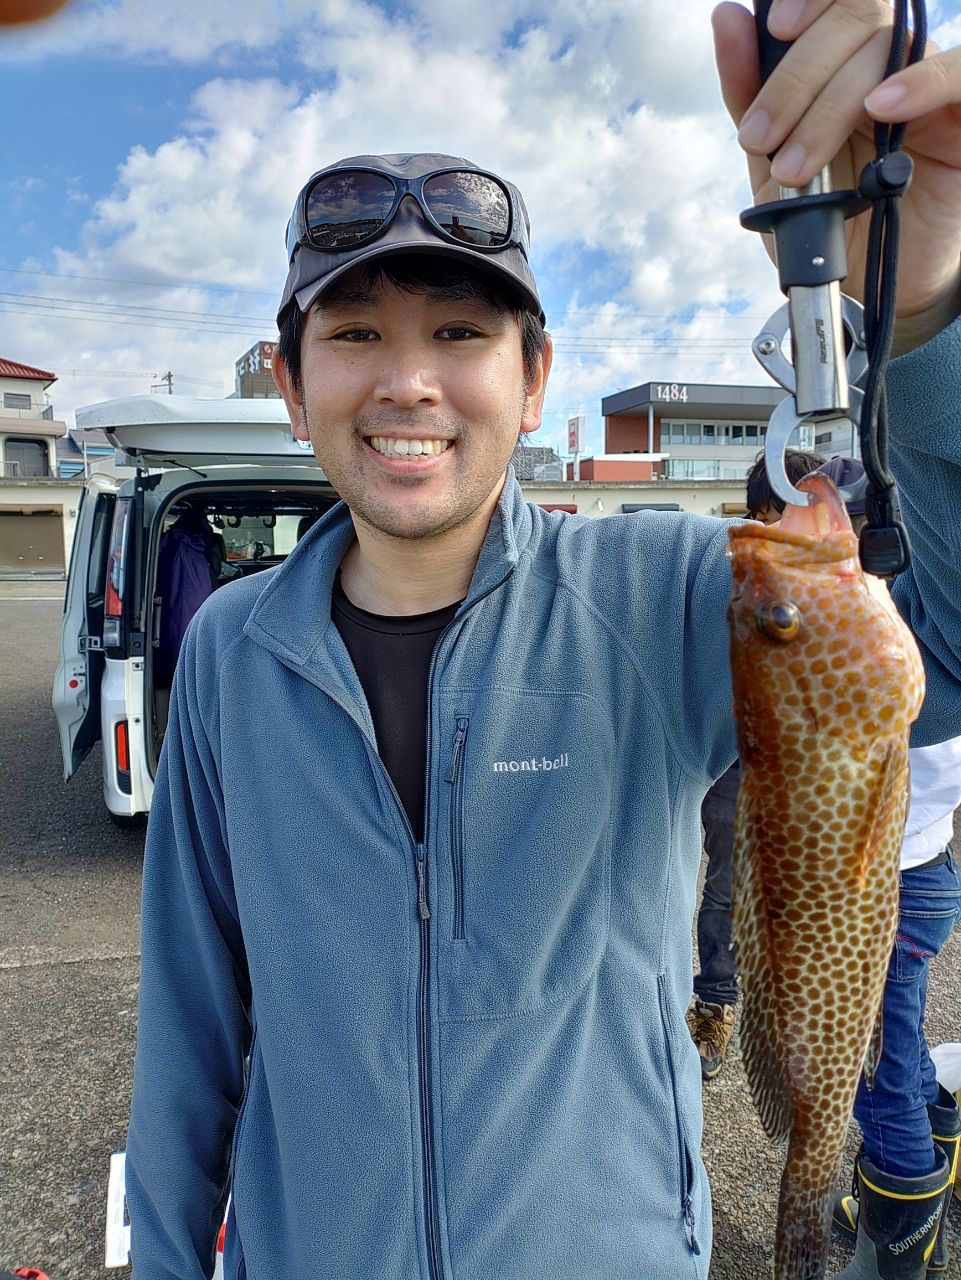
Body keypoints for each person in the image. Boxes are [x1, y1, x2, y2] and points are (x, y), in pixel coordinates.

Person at [125, 5, 961, 1277]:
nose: (408, 382)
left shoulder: (670, 589)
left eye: (460, 333)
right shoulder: (235, 651)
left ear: (534, 380)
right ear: (291, 387)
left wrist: (920, 311)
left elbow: (931, 658)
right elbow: (191, 1026)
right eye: (355, 334)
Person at [688, 449, 825, 1080]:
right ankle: (716, 1003)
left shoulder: (842, 577)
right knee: (727, 886)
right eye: (775, 513)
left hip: (813, 762)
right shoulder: (733, 570)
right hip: (738, 759)